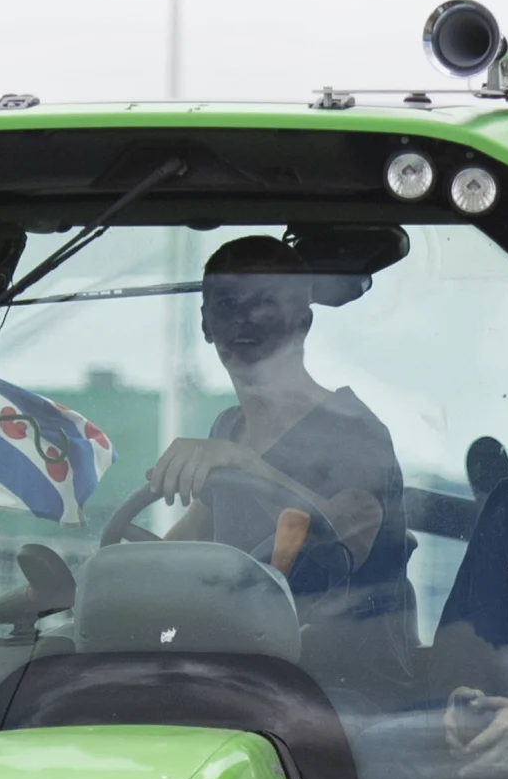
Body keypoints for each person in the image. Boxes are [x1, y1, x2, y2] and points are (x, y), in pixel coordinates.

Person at [144, 237, 416, 654]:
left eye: (265, 302)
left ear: (303, 321)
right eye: (227, 304)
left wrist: (248, 465)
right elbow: (188, 539)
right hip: (244, 663)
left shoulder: (356, 432)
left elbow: (343, 545)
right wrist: (100, 582)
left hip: (345, 681)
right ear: (206, 324)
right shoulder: (228, 428)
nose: (244, 318)